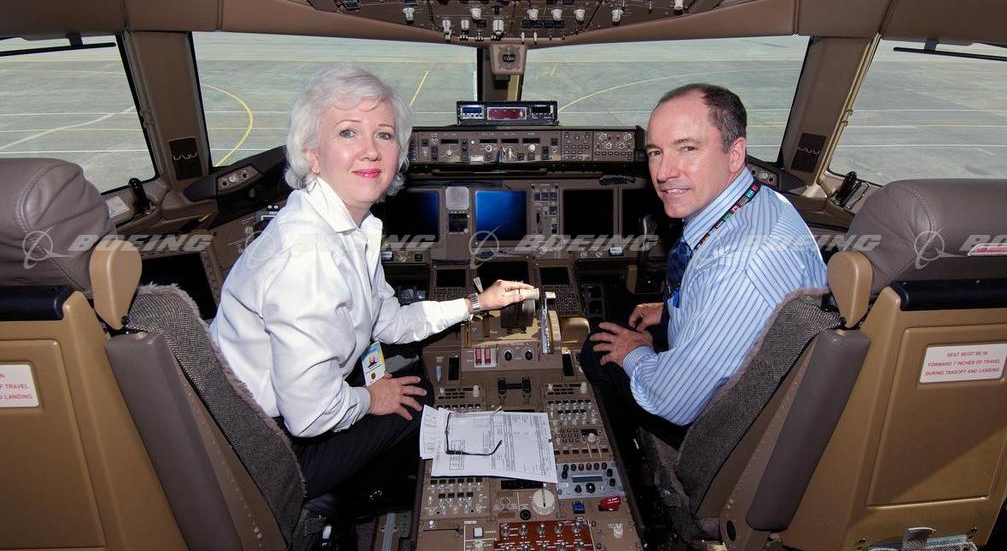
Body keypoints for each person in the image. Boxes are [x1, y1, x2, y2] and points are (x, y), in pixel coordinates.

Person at [211, 65, 533, 498]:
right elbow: (310, 415)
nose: (370, 151)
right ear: (312, 154)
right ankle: (373, 508)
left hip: (275, 416)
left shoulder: (351, 231)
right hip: (268, 449)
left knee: (412, 374)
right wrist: (372, 399)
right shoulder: (307, 257)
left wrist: (477, 304)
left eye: (384, 135)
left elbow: (391, 322)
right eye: (348, 132)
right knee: (421, 403)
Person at [584, 83, 827, 446]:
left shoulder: (741, 267)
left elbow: (674, 402)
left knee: (596, 349)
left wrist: (634, 353)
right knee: (631, 320)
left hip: (719, 427)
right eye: (656, 152)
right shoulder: (762, 203)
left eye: (688, 148)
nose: (663, 172)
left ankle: (632, 457)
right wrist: (675, 308)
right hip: (751, 376)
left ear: (735, 154)